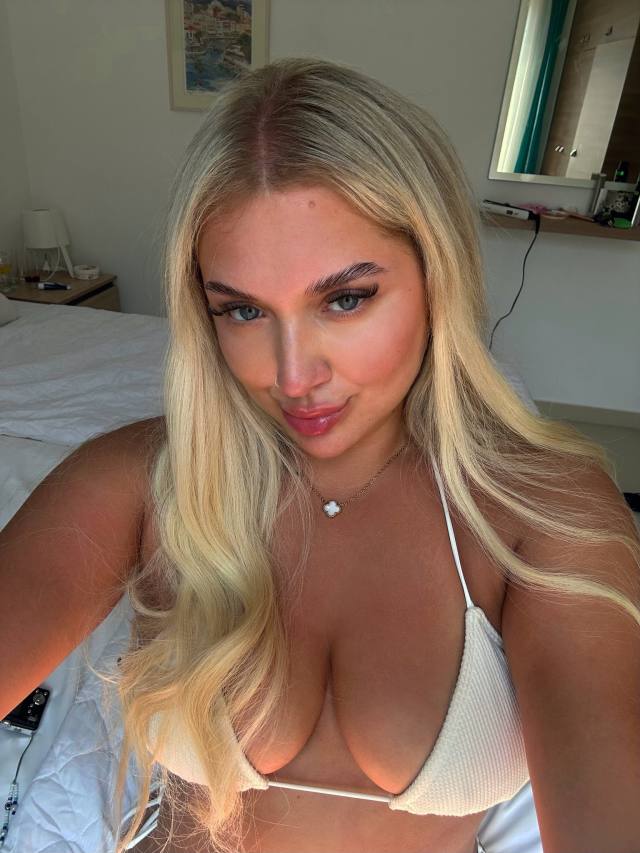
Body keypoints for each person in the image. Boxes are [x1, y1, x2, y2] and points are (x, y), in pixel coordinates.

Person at [1, 57, 639, 853]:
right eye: (242, 310)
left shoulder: (542, 508)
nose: (294, 375)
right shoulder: (140, 481)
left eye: (345, 298)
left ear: (437, 275)